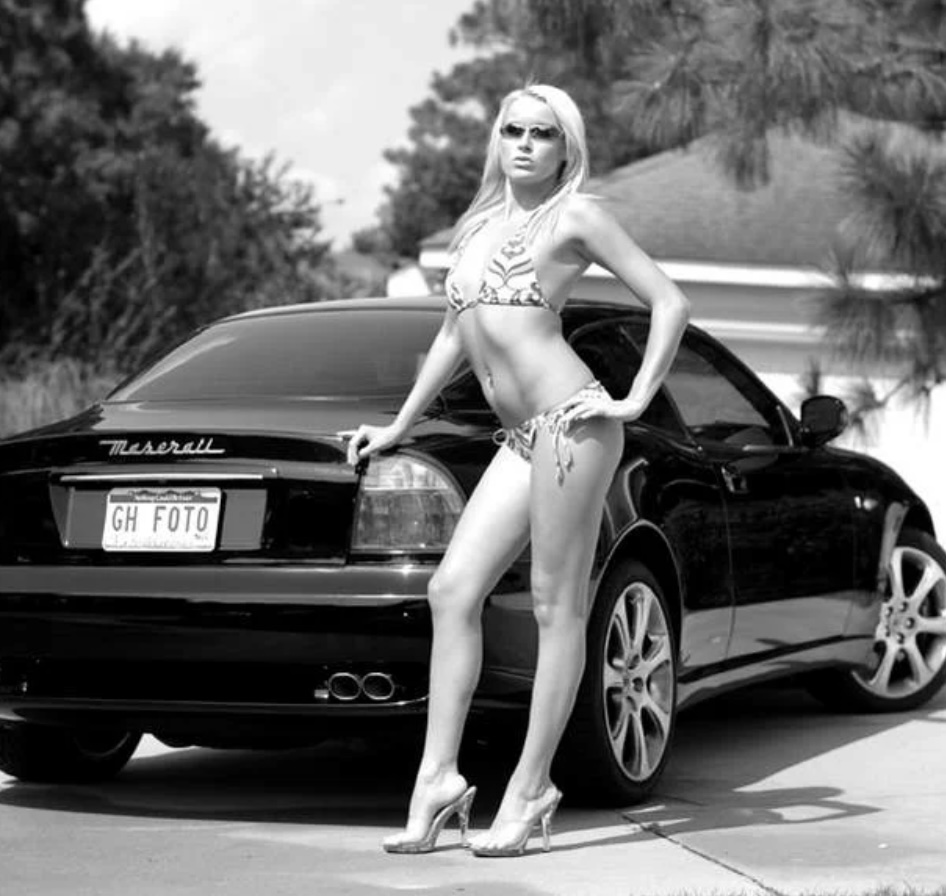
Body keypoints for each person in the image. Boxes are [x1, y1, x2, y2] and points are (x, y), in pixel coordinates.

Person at [342, 84, 690, 857]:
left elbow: (669, 302)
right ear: (495, 140)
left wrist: (633, 399)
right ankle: (437, 781)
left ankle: (530, 788)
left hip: (571, 426)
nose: (525, 144)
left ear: (567, 149)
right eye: (512, 130)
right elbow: (452, 334)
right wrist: (398, 424)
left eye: (542, 133)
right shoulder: (477, 228)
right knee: (450, 590)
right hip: (521, 438)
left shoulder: (577, 217)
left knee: (554, 608)